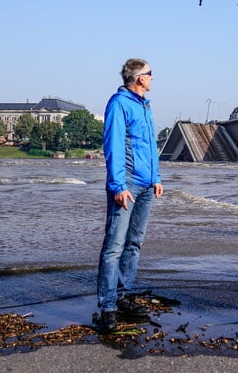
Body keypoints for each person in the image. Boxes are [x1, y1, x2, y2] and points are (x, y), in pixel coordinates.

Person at [97, 58, 164, 332]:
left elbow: (149, 145)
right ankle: (108, 307)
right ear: (139, 78)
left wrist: (157, 178)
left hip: (146, 186)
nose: (153, 77)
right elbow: (112, 145)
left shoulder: (145, 106)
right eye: (150, 74)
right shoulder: (119, 104)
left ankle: (123, 297)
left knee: (134, 243)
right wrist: (117, 186)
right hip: (127, 187)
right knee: (114, 246)